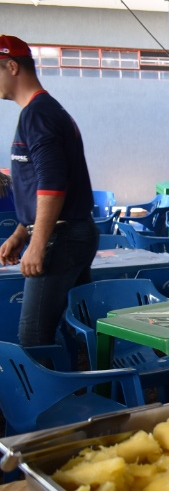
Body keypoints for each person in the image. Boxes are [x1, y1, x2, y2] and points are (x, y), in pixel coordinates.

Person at [0, 35, 98, 346]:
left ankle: (45, 395)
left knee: (33, 338)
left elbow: (53, 185)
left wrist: (38, 242)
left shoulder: (38, 113)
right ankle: (87, 386)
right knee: (79, 329)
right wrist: (22, 231)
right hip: (70, 233)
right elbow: (40, 183)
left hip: (62, 237)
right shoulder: (43, 111)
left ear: (12, 67)